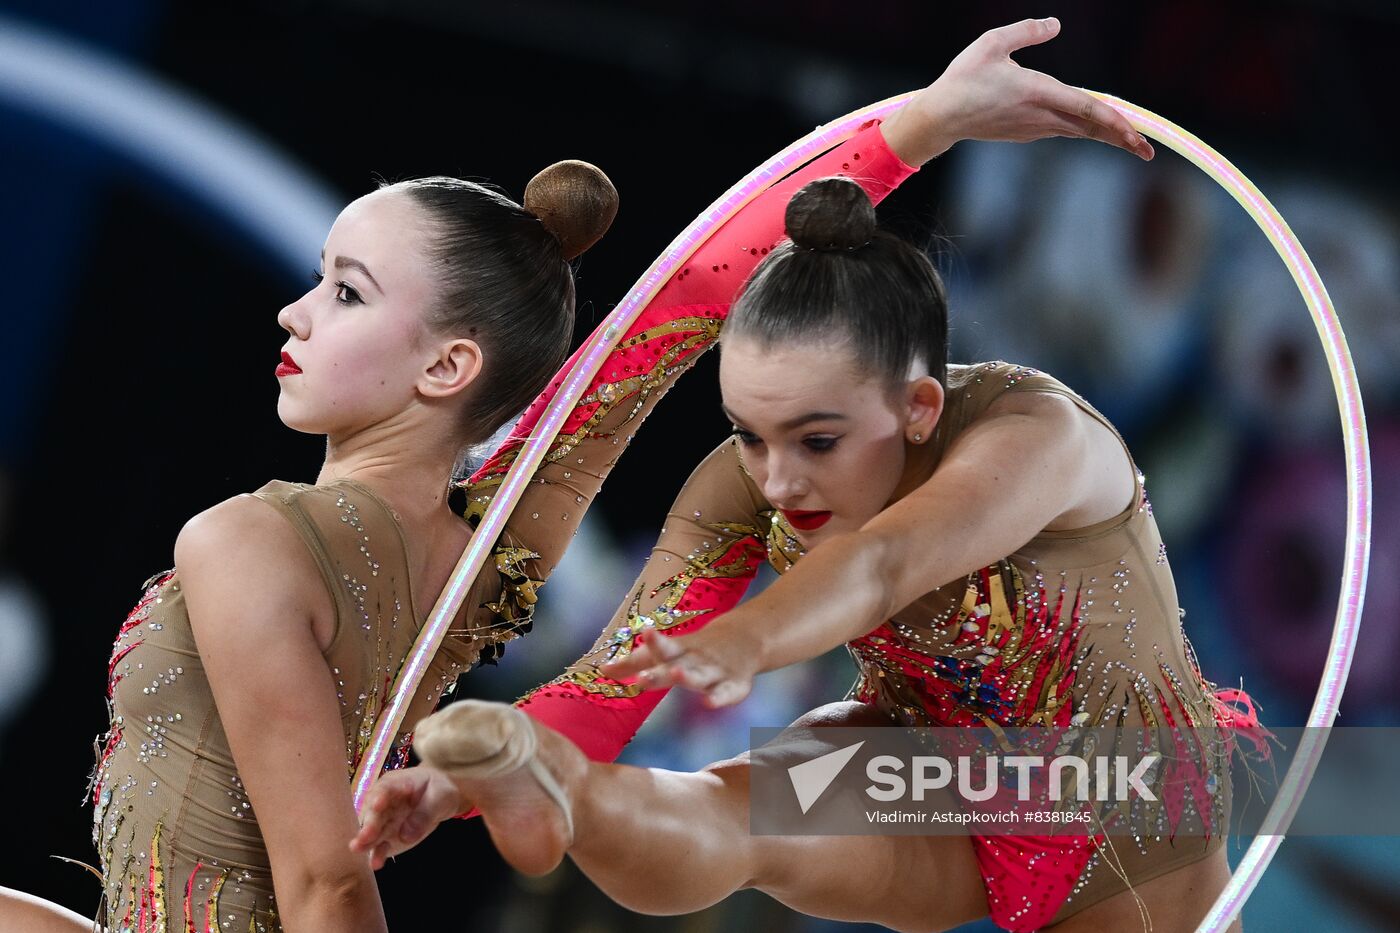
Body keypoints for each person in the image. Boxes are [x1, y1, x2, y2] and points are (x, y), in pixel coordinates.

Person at [350, 17, 1238, 933]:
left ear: (918, 408)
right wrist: (469, 773)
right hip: (935, 781)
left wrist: (748, 639)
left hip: (1123, 796)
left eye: (816, 441)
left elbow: (884, 564)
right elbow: (617, 678)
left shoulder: (1035, 436)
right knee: (757, 808)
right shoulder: (742, 489)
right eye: (749, 434)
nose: (776, 481)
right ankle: (559, 792)